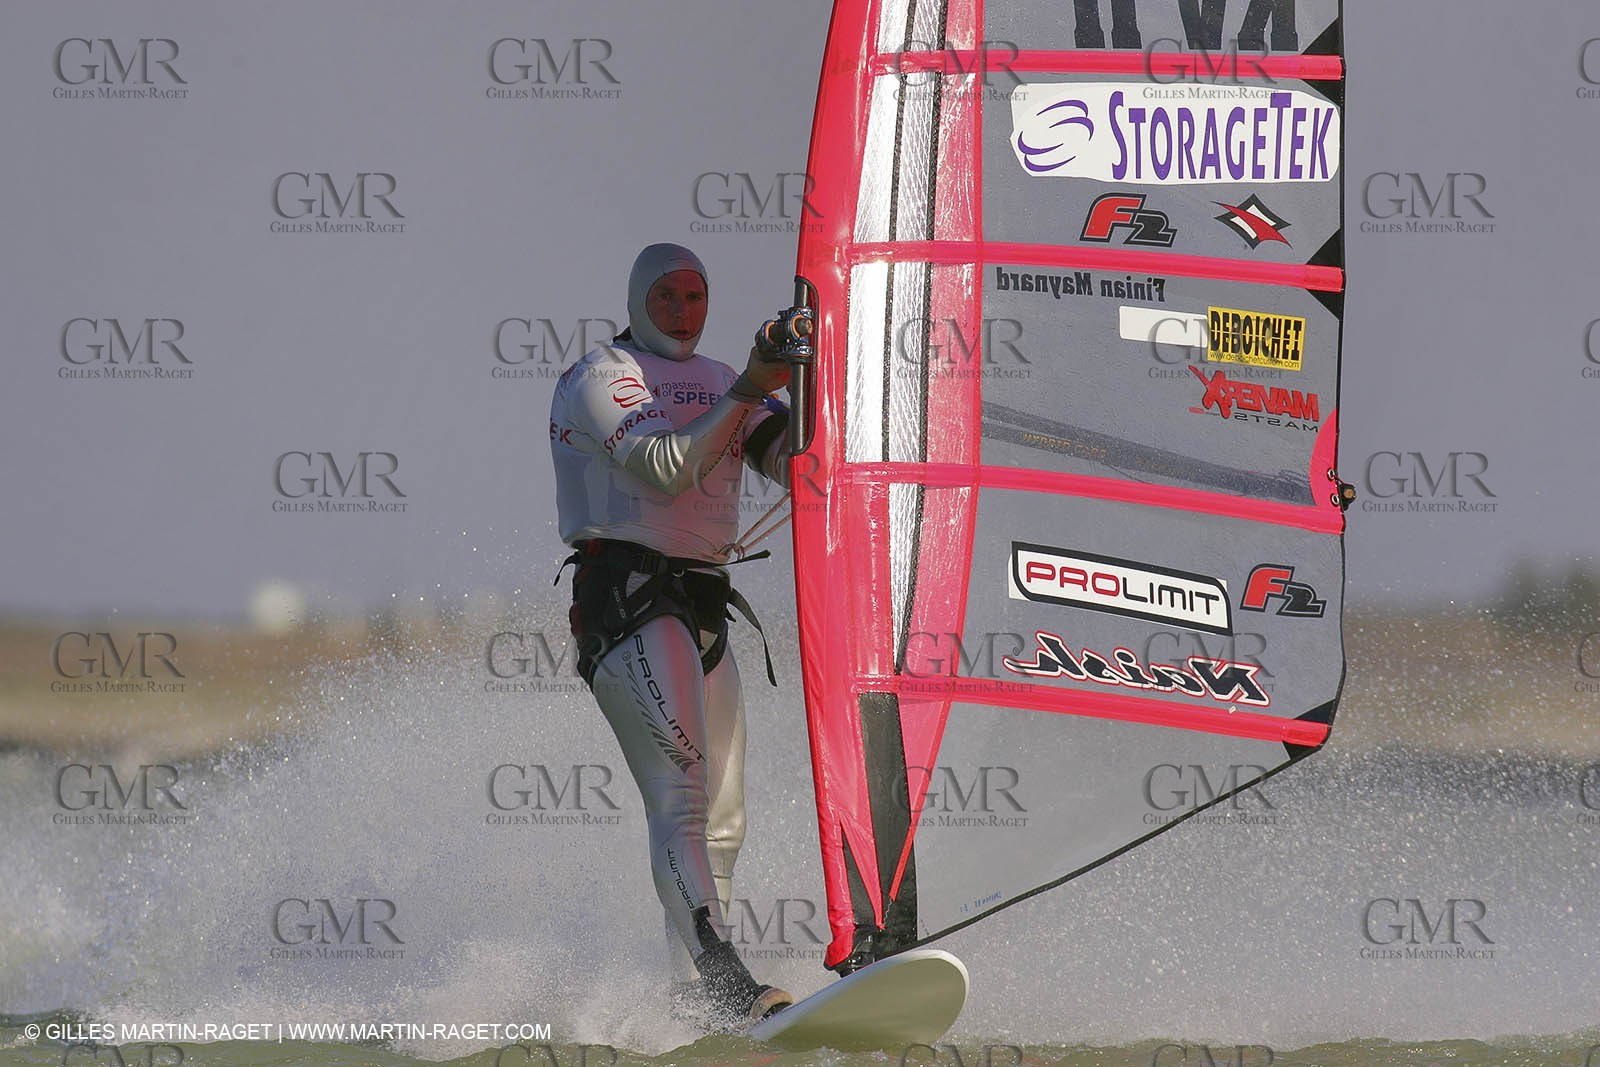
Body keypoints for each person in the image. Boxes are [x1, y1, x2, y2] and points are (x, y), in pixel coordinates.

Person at [549, 243, 795, 1030]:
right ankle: (725, 975)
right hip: (627, 600)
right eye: (667, 297)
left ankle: (688, 997)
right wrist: (755, 384)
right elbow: (662, 468)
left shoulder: (722, 379)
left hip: (703, 604)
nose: (684, 311)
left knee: (726, 817)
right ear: (637, 299)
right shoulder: (602, 376)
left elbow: (789, 459)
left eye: (696, 296)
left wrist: (819, 383)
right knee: (681, 799)